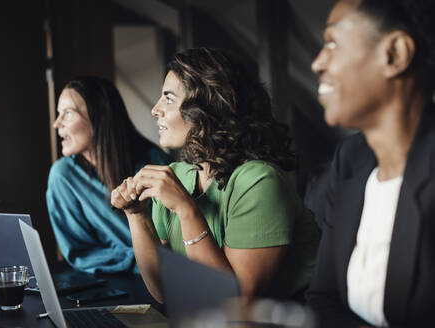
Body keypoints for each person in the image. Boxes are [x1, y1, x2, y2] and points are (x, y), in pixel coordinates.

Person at [111, 48, 320, 302]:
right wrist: (136, 213)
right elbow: (164, 292)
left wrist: (186, 209)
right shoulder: (178, 176)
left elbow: (234, 301)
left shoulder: (259, 181)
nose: (155, 109)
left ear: (207, 108)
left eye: (168, 98)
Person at [306, 0, 435, 327]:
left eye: (332, 42)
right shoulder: (350, 161)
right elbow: (322, 299)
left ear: (395, 54)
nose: (317, 63)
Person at [46, 76, 171, 274]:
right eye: (59, 113)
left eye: (68, 113)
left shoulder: (153, 162)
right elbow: (81, 254)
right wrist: (142, 260)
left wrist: (152, 261)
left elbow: (172, 246)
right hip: (109, 281)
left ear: (100, 117)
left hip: (166, 280)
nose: (56, 124)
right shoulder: (63, 176)